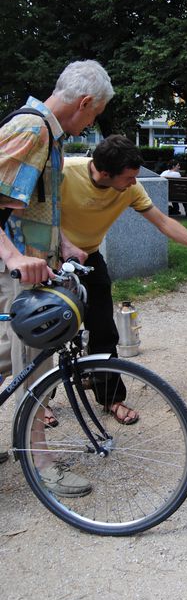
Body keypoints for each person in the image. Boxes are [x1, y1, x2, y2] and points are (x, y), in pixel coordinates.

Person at [60, 136, 187, 422]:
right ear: (105, 173)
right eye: (129, 177)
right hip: (50, 255)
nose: (134, 183)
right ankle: (39, 407)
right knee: (48, 333)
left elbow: (164, 222)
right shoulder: (64, 172)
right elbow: (35, 211)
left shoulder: (129, 188)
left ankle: (111, 399)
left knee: (104, 330)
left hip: (89, 257)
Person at [0, 59, 114, 496]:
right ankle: (42, 466)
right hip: (15, 272)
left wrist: (61, 241)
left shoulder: (48, 135)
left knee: (13, 360)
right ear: (84, 103)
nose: (92, 122)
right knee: (35, 364)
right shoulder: (33, 131)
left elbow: (26, 204)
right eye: (95, 113)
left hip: (29, 263)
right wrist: (14, 257)